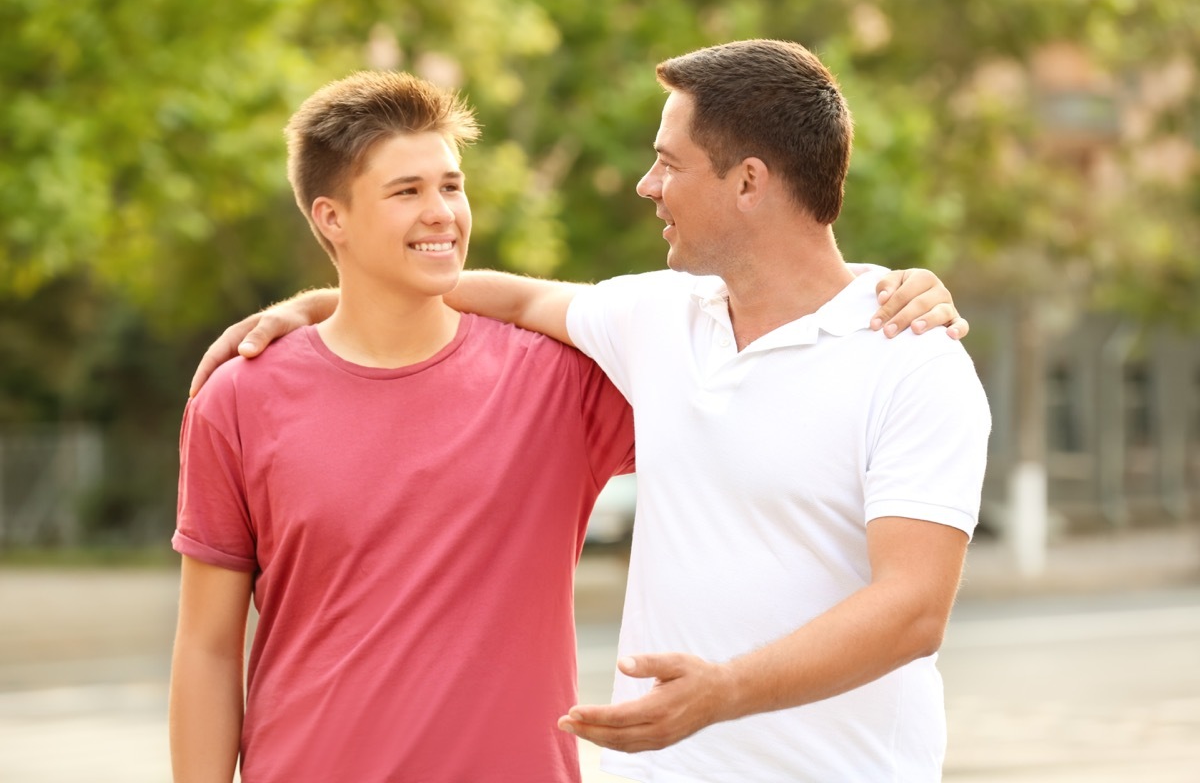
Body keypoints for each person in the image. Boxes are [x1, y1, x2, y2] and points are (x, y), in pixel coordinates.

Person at [186, 44, 984, 781]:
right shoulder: (660, 321)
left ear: (747, 182)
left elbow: (912, 610)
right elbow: (523, 294)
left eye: (667, 164)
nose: (647, 184)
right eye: (408, 191)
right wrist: (328, 302)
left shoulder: (910, 357)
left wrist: (721, 692)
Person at [168, 70, 638, 782]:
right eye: (406, 191)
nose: (442, 212)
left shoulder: (560, 382)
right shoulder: (239, 397)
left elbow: (716, 345)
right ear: (332, 218)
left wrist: (867, 289)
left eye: (450, 185)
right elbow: (206, 647)